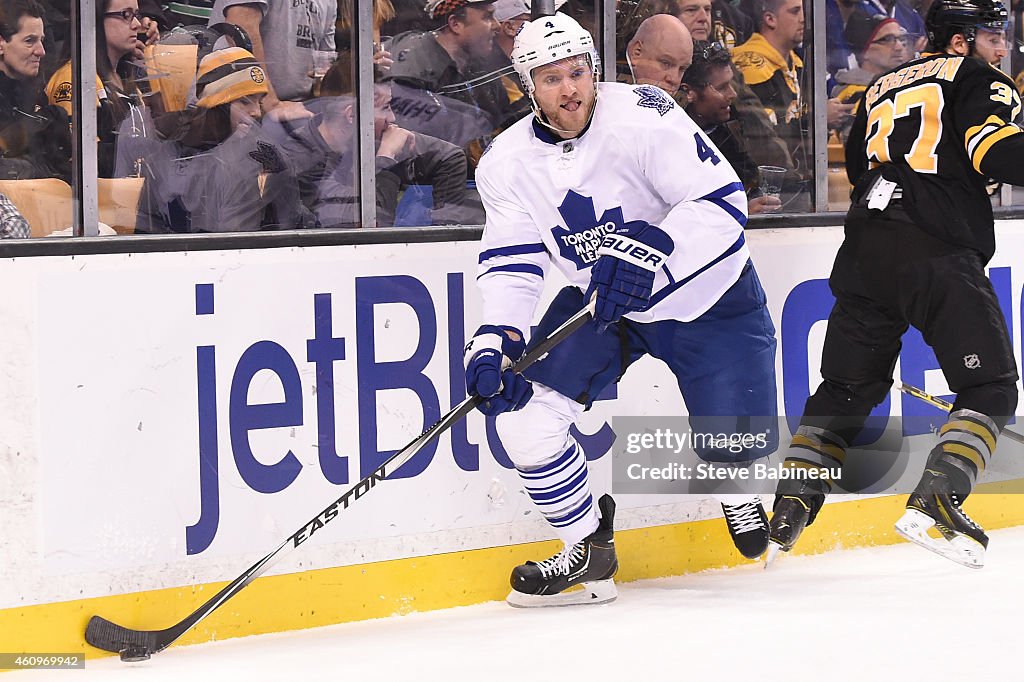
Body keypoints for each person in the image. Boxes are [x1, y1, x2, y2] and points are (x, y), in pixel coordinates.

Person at [465, 12, 779, 606]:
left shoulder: (643, 113)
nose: (571, 89)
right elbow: (512, 263)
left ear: (594, 70)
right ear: (527, 86)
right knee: (523, 419)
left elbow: (720, 202)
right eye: (552, 79)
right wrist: (495, 338)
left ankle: (737, 487)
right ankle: (587, 550)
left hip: (708, 297)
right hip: (604, 306)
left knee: (734, 447)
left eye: (579, 73)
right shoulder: (504, 163)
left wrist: (652, 255)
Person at [767, 0, 1022, 570]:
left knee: (845, 390)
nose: (1001, 48)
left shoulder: (881, 86)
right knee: (991, 388)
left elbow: (861, 168)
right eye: (991, 36)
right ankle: (937, 501)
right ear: (958, 42)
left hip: (865, 248)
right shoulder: (978, 78)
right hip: (935, 247)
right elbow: (996, 152)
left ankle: (790, 506)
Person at [265, 56, 481, 227]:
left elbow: (449, 157)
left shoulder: (372, 135)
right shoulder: (300, 161)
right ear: (352, 115)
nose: (393, 119)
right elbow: (364, 224)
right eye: (385, 108)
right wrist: (387, 159)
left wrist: (443, 230)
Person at [133, 47, 298, 232]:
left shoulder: (260, 160)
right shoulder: (165, 155)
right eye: (245, 101)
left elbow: (239, 242)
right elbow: (146, 226)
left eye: (259, 101)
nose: (257, 112)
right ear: (216, 105)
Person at [45, 0, 160, 178]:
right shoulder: (75, 78)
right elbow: (82, 160)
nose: (137, 25)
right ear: (94, 20)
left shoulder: (128, 78)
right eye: (125, 15)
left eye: (136, 15)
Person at [682, 40, 782, 213]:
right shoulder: (670, 141)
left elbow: (748, 180)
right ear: (689, 92)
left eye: (731, 84)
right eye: (721, 88)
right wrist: (741, 211)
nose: (733, 94)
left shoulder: (730, 126)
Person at [207, 0, 336, 119]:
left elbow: (325, 58)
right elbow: (241, 27)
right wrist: (269, 102)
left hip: (295, 106)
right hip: (234, 106)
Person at [0, 0, 70, 181]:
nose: (41, 51)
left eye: (42, 40)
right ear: (1, 44)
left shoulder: (45, 107)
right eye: (30, 41)